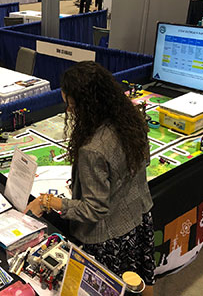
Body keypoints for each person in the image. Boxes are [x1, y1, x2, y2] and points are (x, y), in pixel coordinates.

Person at [24, 61, 155, 296]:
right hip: (139, 217)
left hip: (108, 237)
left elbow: (94, 210)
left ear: (87, 105)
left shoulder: (93, 149)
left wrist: (48, 202)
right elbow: (143, 162)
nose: (69, 111)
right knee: (141, 280)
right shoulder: (131, 120)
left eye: (71, 104)